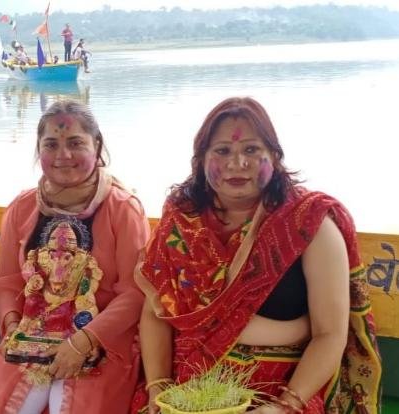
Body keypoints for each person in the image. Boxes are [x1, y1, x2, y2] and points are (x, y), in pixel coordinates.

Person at [136, 97, 382, 413]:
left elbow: (331, 334)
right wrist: (158, 387)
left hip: (283, 388)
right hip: (188, 386)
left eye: (251, 150)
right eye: (222, 151)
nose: (237, 163)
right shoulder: (182, 221)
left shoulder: (309, 224)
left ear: (274, 157)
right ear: (200, 160)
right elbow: (155, 312)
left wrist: (284, 405)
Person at [0, 100, 150, 414]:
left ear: (97, 145)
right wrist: (12, 326)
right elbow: (6, 283)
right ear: (38, 149)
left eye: (76, 143)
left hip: (103, 340)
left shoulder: (123, 209)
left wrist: (83, 341)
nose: (63, 155)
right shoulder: (22, 207)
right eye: (51, 144)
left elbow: (133, 292)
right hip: (30, 335)